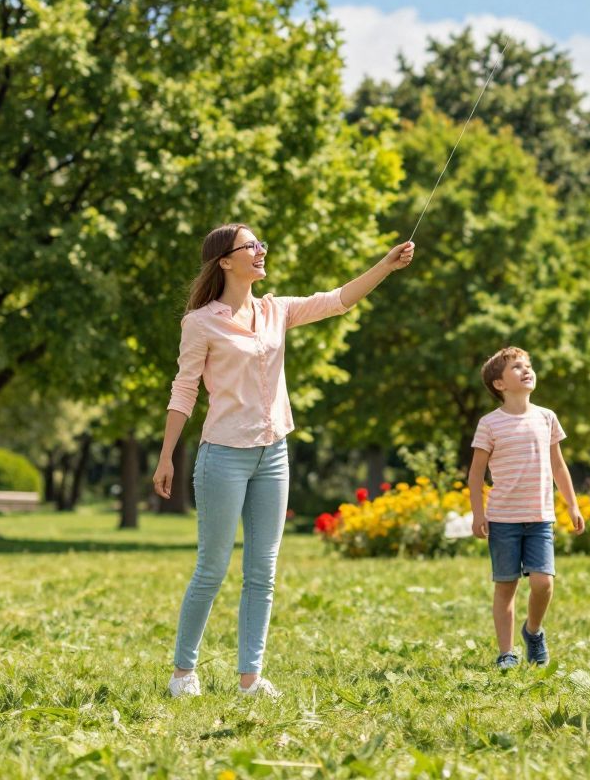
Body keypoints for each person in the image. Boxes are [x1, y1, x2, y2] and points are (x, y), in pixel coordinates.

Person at [154, 223, 415, 698]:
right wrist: (167, 455)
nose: (261, 251)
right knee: (211, 569)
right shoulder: (200, 323)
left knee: (263, 570)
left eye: (261, 244)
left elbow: (339, 299)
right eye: (250, 246)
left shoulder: (276, 310)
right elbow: (184, 389)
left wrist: (386, 264)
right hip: (223, 456)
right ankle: (182, 673)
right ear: (225, 261)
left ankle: (250, 678)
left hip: (274, 453)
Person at [468, 346, 585, 669]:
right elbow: (476, 473)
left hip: (540, 517)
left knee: (543, 583)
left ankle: (533, 631)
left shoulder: (546, 418)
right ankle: (506, 652)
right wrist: (478, 513)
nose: (526, 370)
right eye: (517, 367)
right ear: (499, 385)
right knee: (506, 586)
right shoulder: (490, 424)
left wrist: (572, 505)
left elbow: (559, 466)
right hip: (503, 519)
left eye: (528, 365)